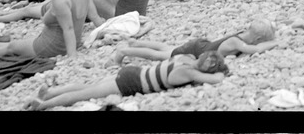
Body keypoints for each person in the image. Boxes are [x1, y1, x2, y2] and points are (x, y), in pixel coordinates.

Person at [24, 50, 229, 110]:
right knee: (86, 92)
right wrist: (218, 72)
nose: (208, 58)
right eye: (211, 56)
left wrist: (216, 72)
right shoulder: (190, 67)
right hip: (131, 82)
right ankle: (44, 104)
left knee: (89, 88)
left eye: (212, 61)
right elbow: (217, 79)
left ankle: (49, 95)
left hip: (133, 74)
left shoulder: (187, 62)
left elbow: (213, 78)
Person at [112, 20, 276, 64]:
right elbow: (253, 50)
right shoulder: (237, 42)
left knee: (169, 48)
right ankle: (125, 51)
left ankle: (136, 43)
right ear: (258, 39)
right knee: (160, 55)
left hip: (201, 45)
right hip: (197, 51)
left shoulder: (243, 34)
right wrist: (274, 44)